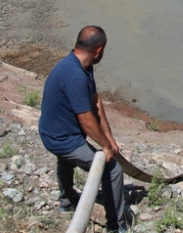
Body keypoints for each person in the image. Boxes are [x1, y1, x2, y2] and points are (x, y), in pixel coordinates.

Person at [38, 26, 127, 233]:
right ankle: (116, 227)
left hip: (58, 131)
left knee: (67, 161)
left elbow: (95, 101)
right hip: (59, 137)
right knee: (113, 171)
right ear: (99, 50)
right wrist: (105, 148)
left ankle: (66, 202)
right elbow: (86, 120)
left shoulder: (83, 66)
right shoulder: (74, 75)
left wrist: (109, 138)